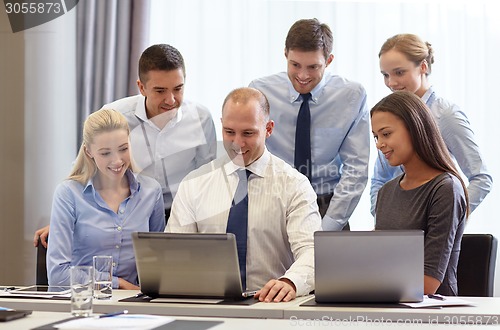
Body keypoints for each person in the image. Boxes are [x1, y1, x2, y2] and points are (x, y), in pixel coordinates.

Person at [34, 44, 217, 247]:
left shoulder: (201, 118)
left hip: (184, 216)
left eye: (178, 88)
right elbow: (86, 168)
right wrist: (66, 220)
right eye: (160, 90)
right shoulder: (114, 115)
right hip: (132, 215)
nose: (171, 99)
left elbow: (206, 180)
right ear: (141, 87)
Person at [166, 87, 322, 302]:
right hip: (207, 305)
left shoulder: (294, 185)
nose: (237, 143)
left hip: (271, 305)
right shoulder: (194, 183)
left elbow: (312, 250)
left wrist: (291, 282)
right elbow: (174, 251)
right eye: (229, 132)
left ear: (268, 129)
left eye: (248, 133)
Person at [249, 18, 369, 231]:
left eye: (313, 67)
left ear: (329, 60)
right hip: (274, 201)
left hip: (327, 204)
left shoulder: (351, 96)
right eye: (295, 65)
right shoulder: (260, 92)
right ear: (285, 54)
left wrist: (330, 225)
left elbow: (356, 167)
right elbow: (250, 154)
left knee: (330, 265)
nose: (303, 76)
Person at [370, 33, 492, 216]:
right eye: (385, 75)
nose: (391, 83)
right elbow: (380, 179)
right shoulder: (390, 114)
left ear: (423, 67)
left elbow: (481, 178)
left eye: (399, 72)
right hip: (397, 231)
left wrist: (447, 217)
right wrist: (383, 219)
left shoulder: (445, 115)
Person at [47, 109, 165, 290]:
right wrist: (118, 283)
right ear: (89, 152)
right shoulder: (68, 194)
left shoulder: (151, 192)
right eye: (105, 153)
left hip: (133, 307)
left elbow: (159, 264)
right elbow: (58, 275)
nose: (117, 160)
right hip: (82, 303)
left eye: (123, 149)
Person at [371, 91, 468, 296]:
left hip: (432, 314)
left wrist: (367, 284)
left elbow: (428, 284)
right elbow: (377, 261)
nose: (379, 144)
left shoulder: (445, 188)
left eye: (386, 134)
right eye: (376, 137)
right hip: (387, 305)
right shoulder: (386, 191)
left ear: (415, 129)